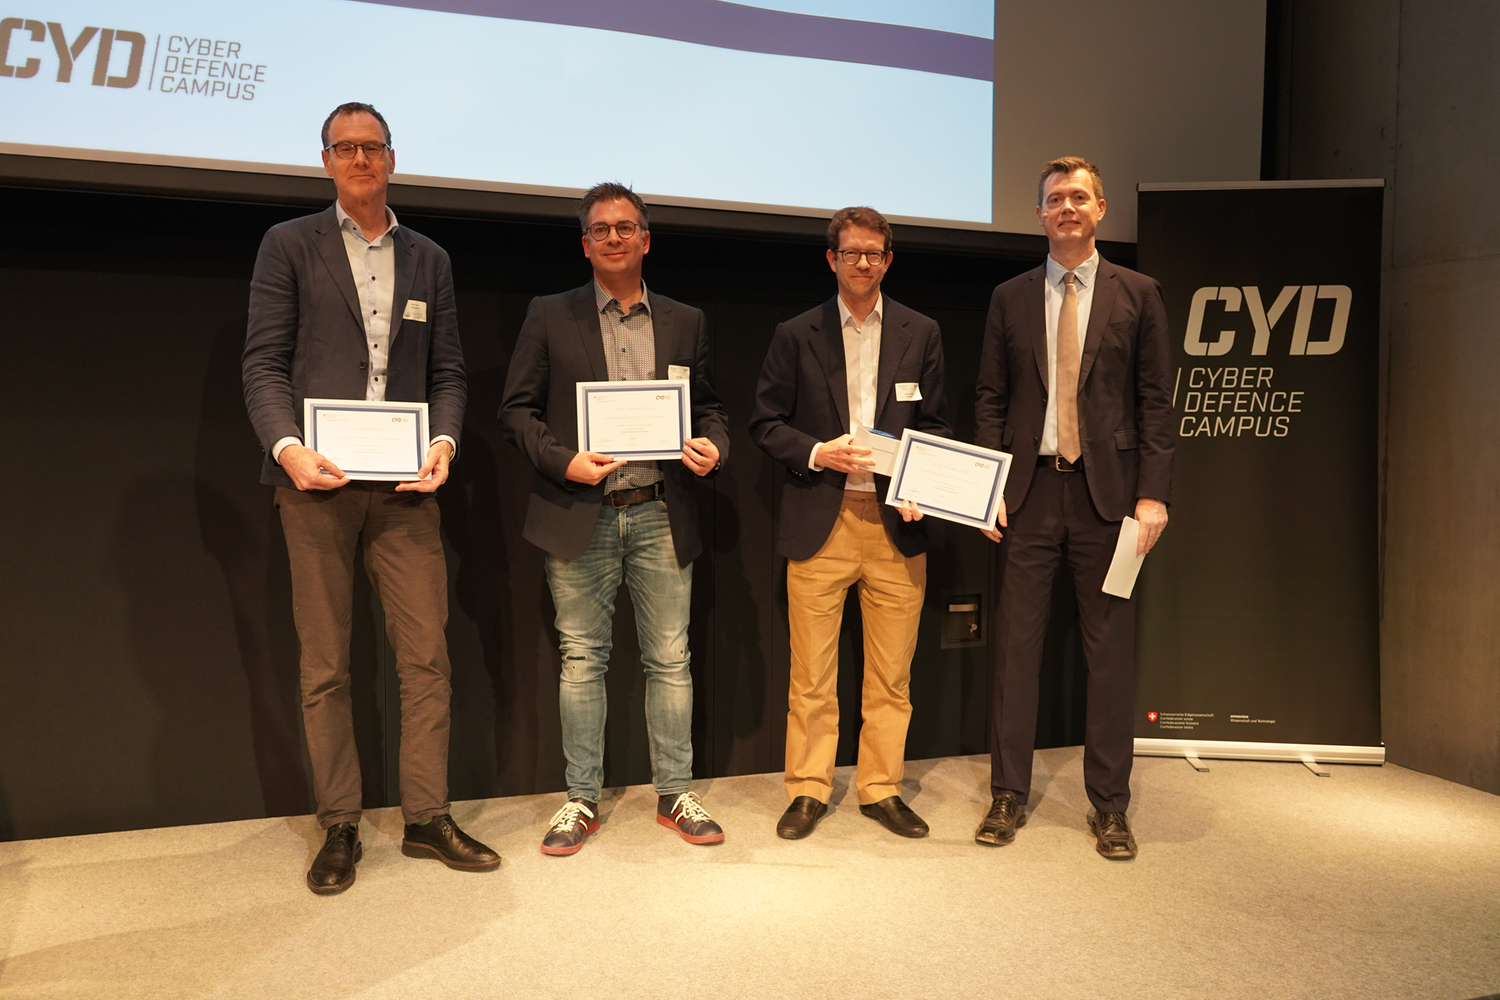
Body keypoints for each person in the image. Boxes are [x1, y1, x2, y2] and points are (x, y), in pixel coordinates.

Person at [243, 102, 499, 894]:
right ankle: (341, 824)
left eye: (372, 146)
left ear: (392, 158)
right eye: (344, 147)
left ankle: (425, 816)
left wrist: (445, 443)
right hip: (316, 485)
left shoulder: (430, 257)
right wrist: (289, 451)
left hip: (405, 490)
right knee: (325, 665)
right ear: (325, 160)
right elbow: (263, 366)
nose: (359, 158)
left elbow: (450, 372)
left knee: (427, 658)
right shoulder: (288, 244)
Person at [499, 182, 731, 856]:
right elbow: (516, 412)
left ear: (646, 239)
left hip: (661, 509)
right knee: (581, 661)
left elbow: (710, 405)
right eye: (600, 230)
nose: (614, 238)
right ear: (585, 244)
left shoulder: (686, 319)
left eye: (625, 227)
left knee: (670, 660)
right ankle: (581, 799)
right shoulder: (550, 315)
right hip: (580, 513)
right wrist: (562, 461)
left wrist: (715, 446)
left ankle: (675, 792)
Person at [973, 157, 1174, 859]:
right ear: (1039, 214)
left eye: (1079, 198)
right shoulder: (1010, 296)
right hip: (1027, 495)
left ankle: (1110, 807)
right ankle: (1007, 796)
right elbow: (991, 400)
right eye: (1055, 198)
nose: (1067, 208)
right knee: (1015, 654)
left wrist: (1153, 494)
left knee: (1109, 657)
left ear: (1100, 209)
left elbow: (1155, 402)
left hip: (1109, 500)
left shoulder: (1139, 293)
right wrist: (988, 487)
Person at [749, 206, 950, 840]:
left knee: (892, 674)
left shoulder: (924, 331)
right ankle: (808, 789)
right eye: (851, 252)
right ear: (831, 259)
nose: (863, 262)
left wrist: (924, 483)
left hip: (897, 523)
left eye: (874, 253)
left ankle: (880, 788)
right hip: (823, 517)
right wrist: (817, 452)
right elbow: (765, 423)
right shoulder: (795, 332)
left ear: (888, 260)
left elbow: (938, 427)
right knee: (811, 674)